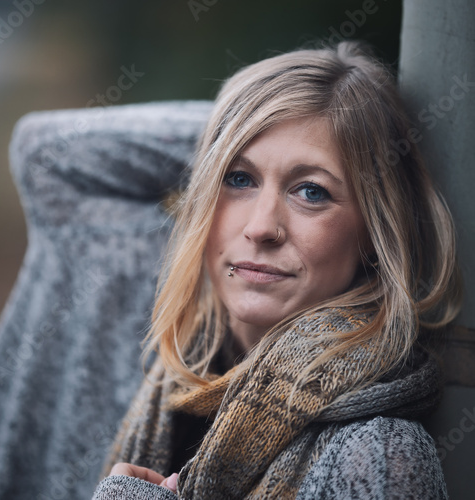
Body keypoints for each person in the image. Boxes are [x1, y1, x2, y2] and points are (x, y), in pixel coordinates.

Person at [91, 41, 462, 499]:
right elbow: (44, 153)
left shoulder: (378, 457)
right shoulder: (170, 370)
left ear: (373, 231)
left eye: (310, 191)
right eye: (237, 177)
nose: (261, 227)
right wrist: (233, 115)